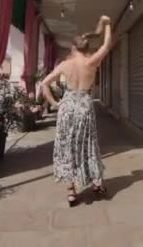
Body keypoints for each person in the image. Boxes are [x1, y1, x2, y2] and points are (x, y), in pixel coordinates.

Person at [41, 14, 112, 207]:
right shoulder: (91, 62)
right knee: (88, 146)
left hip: (68, 107)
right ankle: (96, 184)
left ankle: (71, 192)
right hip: (84, 106)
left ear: (73, 48)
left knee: (68, 147)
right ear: (87, 48)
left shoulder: (65, 65)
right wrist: (107, 24)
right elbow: (106, 46)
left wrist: (55, 104)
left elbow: (44, 84)